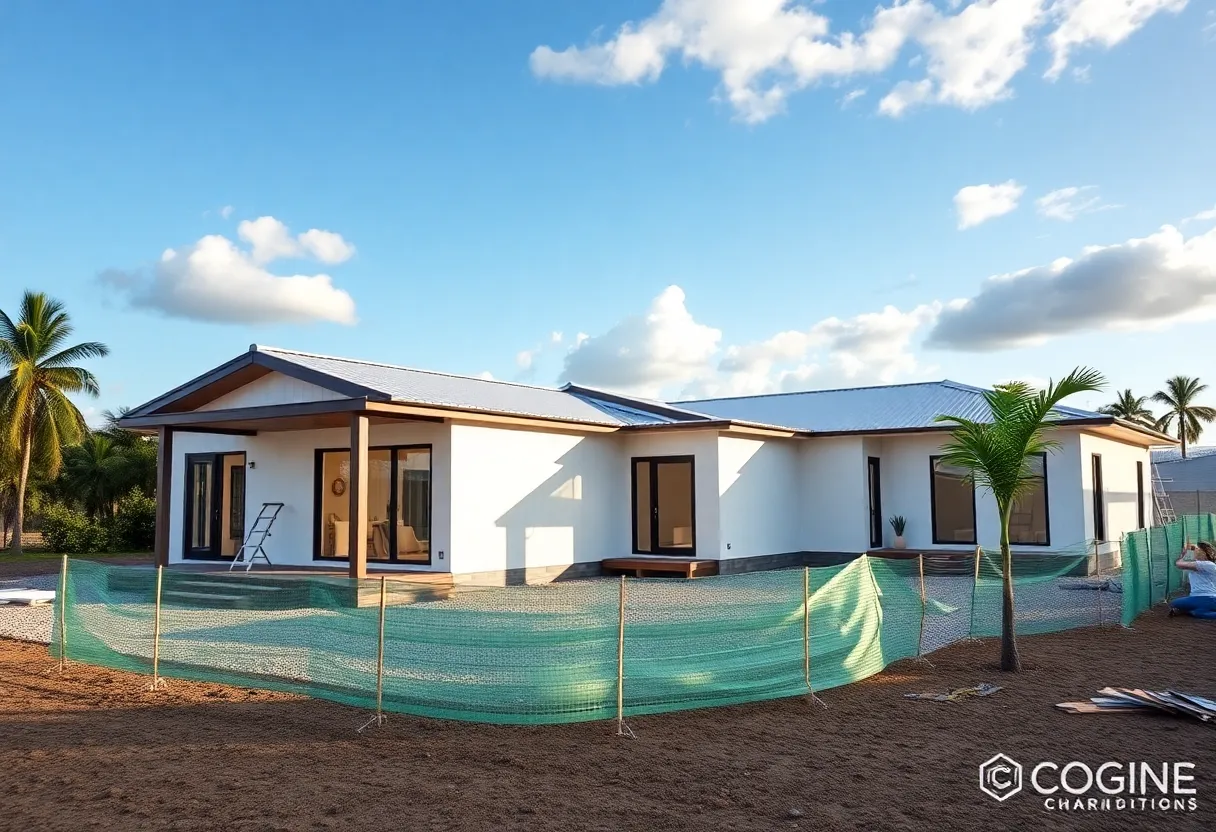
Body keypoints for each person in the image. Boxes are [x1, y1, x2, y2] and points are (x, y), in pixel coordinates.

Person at [1170, 542, 1216, 619]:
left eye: (1197, 549)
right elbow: (1186, 561)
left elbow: (1179, 564)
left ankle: (1190, 611)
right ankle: (1196, 611)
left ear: (1204, 552)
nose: (1194, 551)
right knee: (1199, 611)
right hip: (1208, 600)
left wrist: (1184, 554)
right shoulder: (1202, 564)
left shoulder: (1207, 564)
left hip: (1206, 598)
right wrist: (1189, 550)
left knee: (1174, 603)